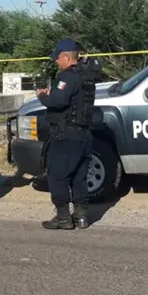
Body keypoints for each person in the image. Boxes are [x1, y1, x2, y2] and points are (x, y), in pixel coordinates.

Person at [36, 39, 97, 230]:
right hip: (84, 134)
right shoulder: (87, 75)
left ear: (66, 57)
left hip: (66, 135)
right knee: (79, 176)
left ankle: (63, 218)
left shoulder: (67, 76)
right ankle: (81, 216)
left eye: (57, 57)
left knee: (58, 176)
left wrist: (42, 95)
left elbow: (57, 101)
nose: (56, 61)